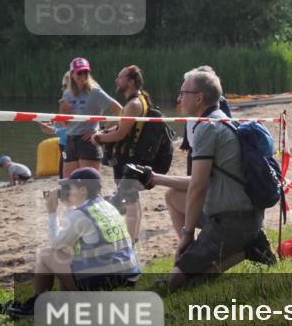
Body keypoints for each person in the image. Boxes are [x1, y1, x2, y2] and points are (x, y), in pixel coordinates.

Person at [147, 66, 276, 288]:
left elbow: (198, 186)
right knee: (173, 197)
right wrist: (156, 178)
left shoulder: (207, 128)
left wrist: (187, 236)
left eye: (182, 93)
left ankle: (247, 248)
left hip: (232, 220)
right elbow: (199, 182)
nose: (178, 99)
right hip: (241, 214)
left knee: (177, 283)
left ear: (198, 98)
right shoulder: (221, 119)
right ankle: (249, 247)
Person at [5, 167, 140, 319]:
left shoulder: (81, 213)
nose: (67, 190)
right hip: (128, 278)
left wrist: (51, 211)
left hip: (105, 283)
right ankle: (64, 305)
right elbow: (75, 235)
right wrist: (69, 206)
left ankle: (37, 307)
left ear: (83, 190)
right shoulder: (107, 206)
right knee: (68, 254)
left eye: (69, 187)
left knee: (46, 254)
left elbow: (56, 244)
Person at [87, 65, 150, 242]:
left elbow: (121, 134)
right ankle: (134, 237)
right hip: (131, 157)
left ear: (130, 82)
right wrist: (105, 132)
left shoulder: (133, 104)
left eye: (120, 77)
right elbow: (126, 128)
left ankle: (131, 240)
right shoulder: (140, 99)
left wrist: (98, 139)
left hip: (127, 159)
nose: (117, 80)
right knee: (133, 200)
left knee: (130, 202)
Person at [59, 58, 122, 178]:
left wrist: (102, 130)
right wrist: (63, 111)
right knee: (68, 185)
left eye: (85, 72)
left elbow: (120, 111)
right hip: (71, 140)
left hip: (88, 142)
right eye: (79, 72)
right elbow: (64, 124)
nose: (83, 76)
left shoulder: (95, 92)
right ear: (72, 74)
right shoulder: (66, 94)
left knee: (89, 186)